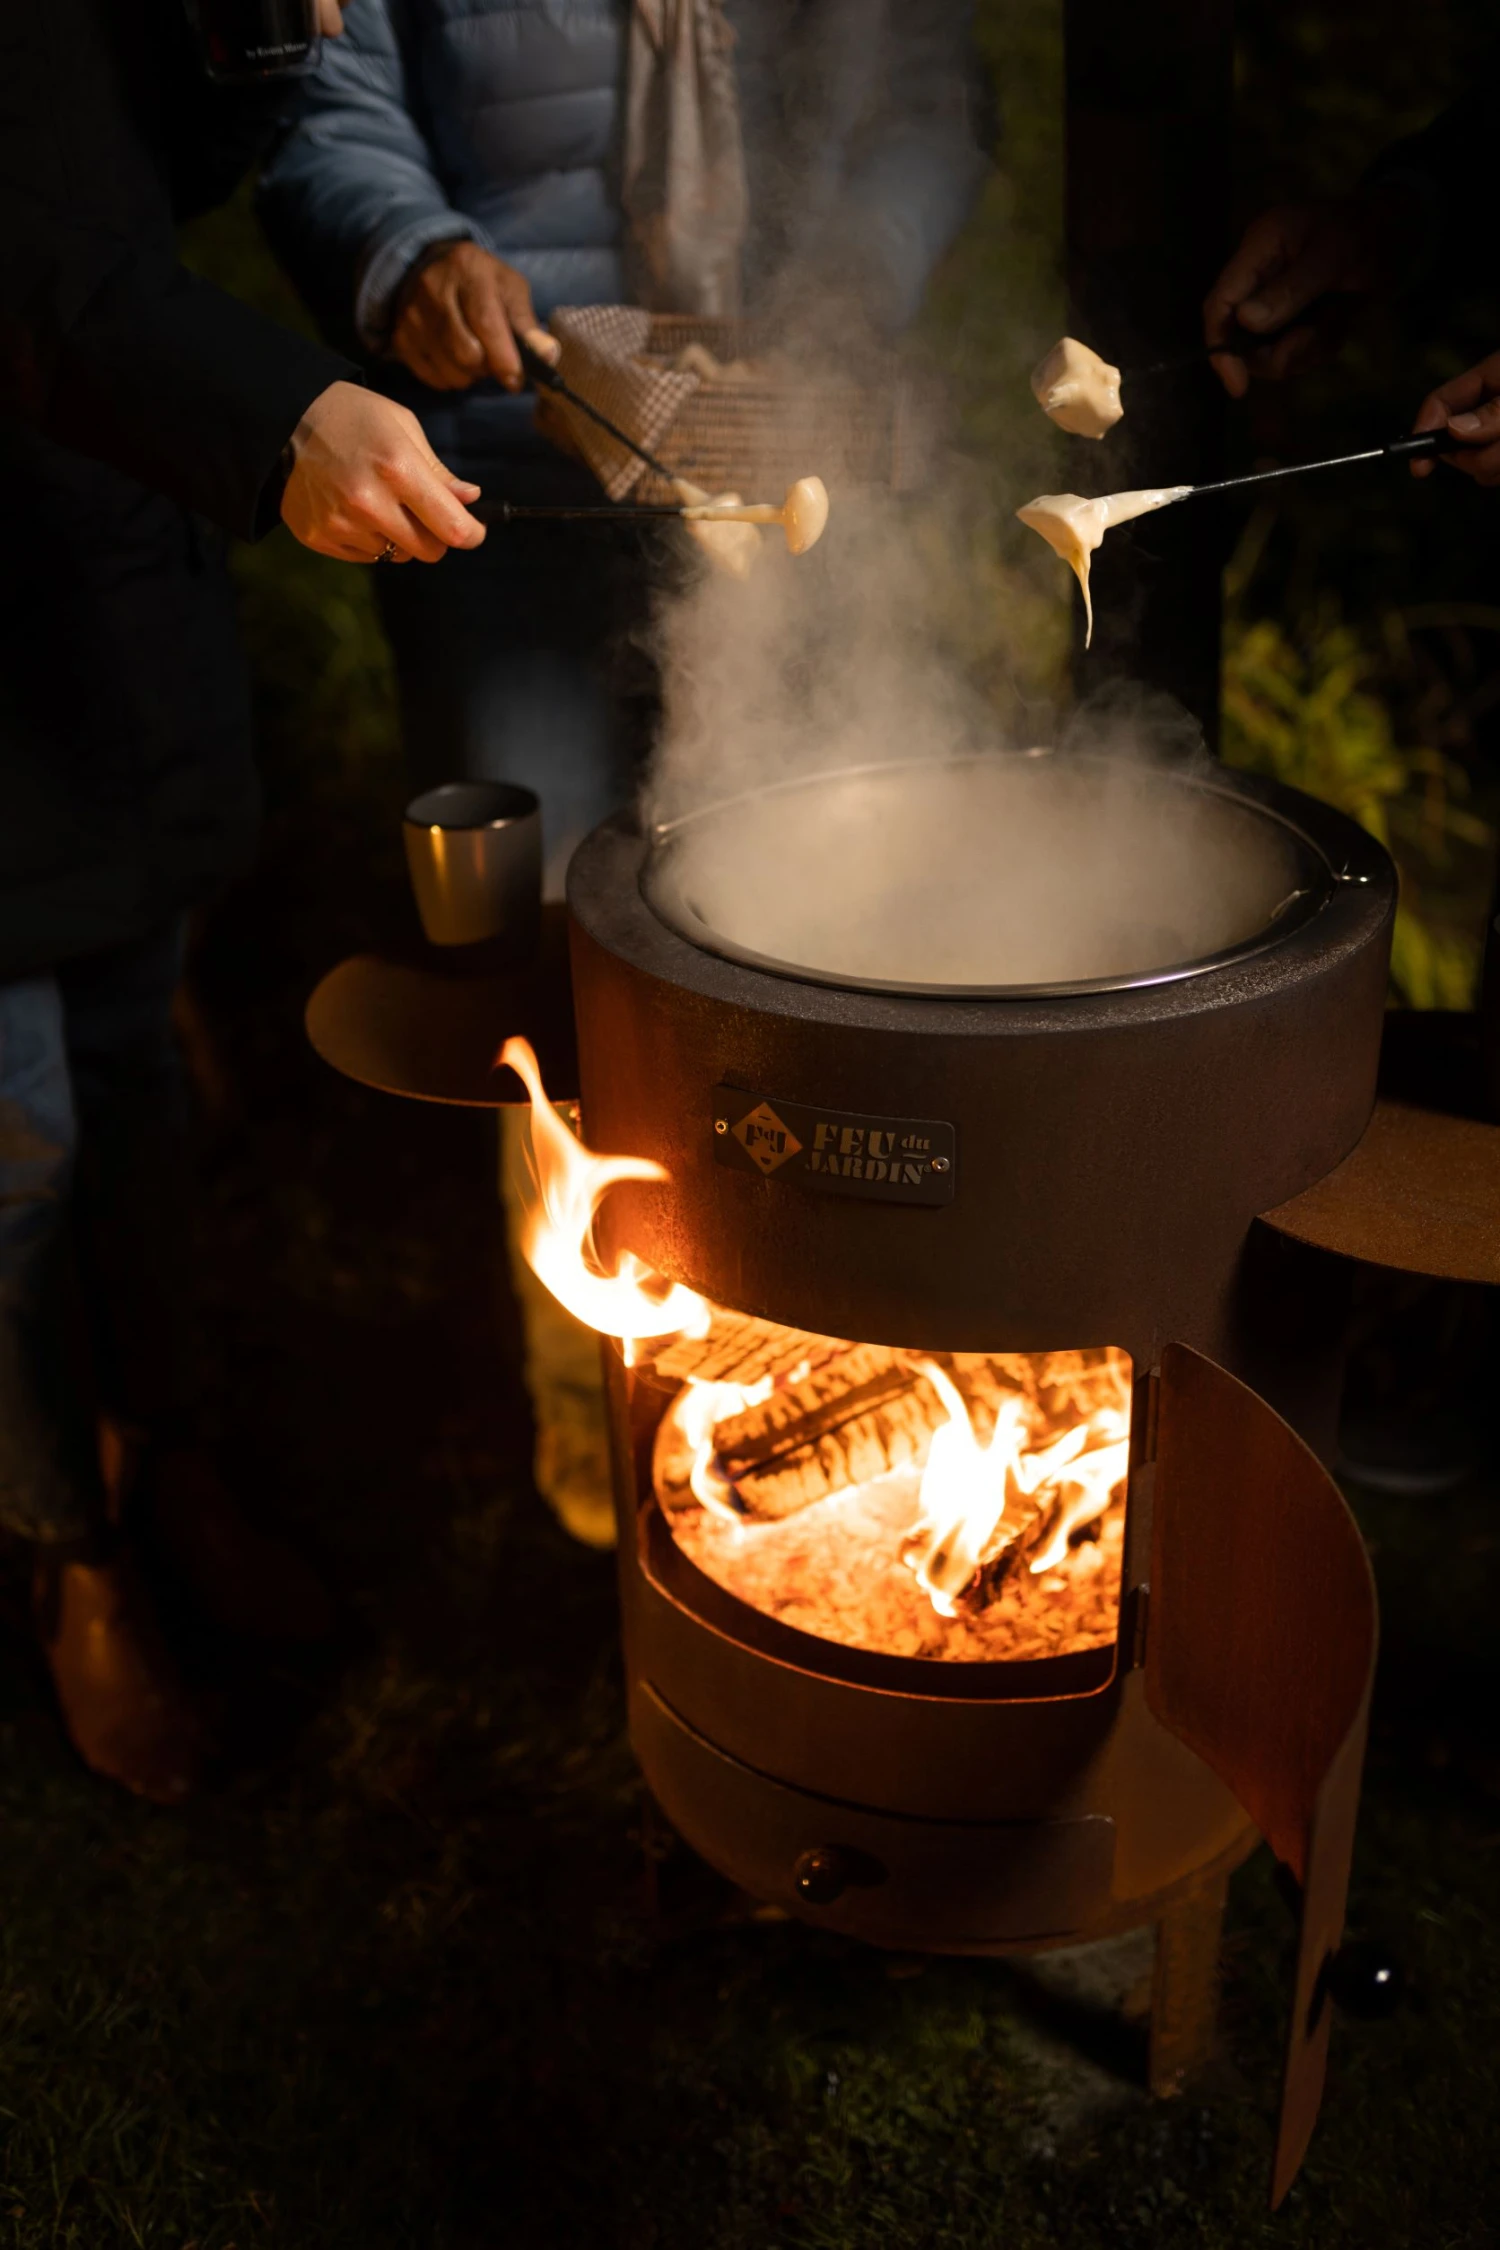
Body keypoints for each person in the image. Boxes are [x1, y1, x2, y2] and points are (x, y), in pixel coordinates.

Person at [0, 0, 490, 1802]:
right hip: (55, 444)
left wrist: (250, 37)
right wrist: (285, 408)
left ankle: (170, 1448)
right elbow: (43, 251)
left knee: (132, 1056)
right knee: (13, 1128)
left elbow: (137, 180)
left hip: (101, 517)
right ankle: (71, 1557)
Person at [256, 0, 989, 894]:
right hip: (504, 460)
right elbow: (332, 104)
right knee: (536, 895)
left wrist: (868, 262)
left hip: (794, 465)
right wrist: (411, 250)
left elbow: (927, 97)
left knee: (810, 882)